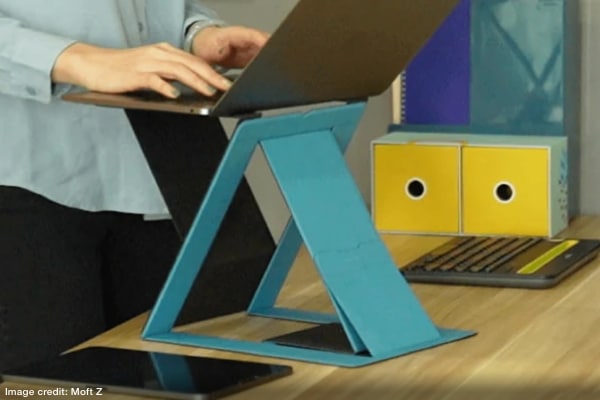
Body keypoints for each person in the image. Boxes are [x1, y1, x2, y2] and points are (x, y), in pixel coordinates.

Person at [0, 0, 269, 372]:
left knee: (173, 374)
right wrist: (76, 59)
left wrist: (196, 34)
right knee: (55, 386)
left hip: (153, 163)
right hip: (25, 172)